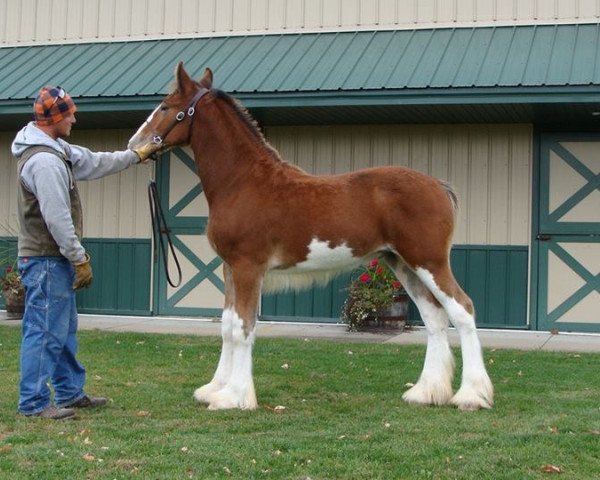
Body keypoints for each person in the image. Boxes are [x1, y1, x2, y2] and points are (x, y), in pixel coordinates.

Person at [11, 86, 155, 420]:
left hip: (52, 259)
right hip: (47, 258)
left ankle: (69, 393)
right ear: (55, 119)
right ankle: (32, 403)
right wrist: (79, 257)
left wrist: (136, 155)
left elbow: (93, 162)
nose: (75, 118)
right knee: (44, 330)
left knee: (61, 330)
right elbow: (58, 218)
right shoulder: (45, 161)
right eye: (69, 113)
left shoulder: (56, 148)